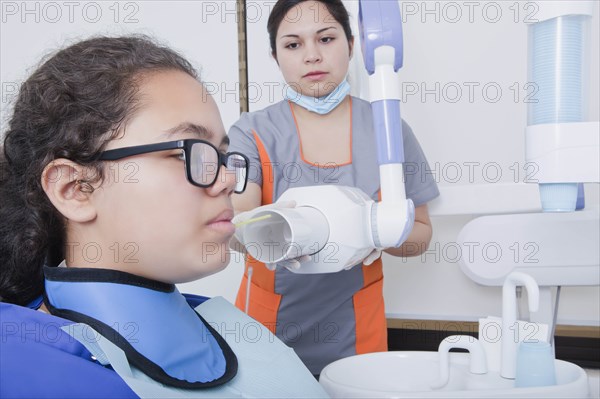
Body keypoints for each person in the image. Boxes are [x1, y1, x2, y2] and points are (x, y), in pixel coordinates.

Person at [0, 35, 327, 398]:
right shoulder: (26, 371)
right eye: (188, 152)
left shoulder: (224, 326)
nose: (230, 178)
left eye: (222, 155)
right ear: (74, 189)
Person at [228, 0, 440, 376]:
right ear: (275, 56)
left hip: (356, 328)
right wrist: (280, 231)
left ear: (352, 44)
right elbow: (235, 224)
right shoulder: (252, 131)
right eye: (293, 45)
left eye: (325, 38)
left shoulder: (388, 129)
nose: (312, 56)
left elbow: (420, 235)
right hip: (267, 323)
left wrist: (375, 231)